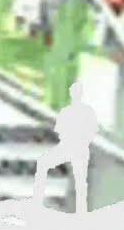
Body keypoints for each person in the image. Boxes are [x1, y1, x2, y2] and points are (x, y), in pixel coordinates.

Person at [33, 82, 98, 214]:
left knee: (79, 177)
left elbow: (92, 130)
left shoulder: (87, 111)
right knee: (43, 163)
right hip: (67, 147)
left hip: (80, 149)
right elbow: (58, 129)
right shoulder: (67, 111)